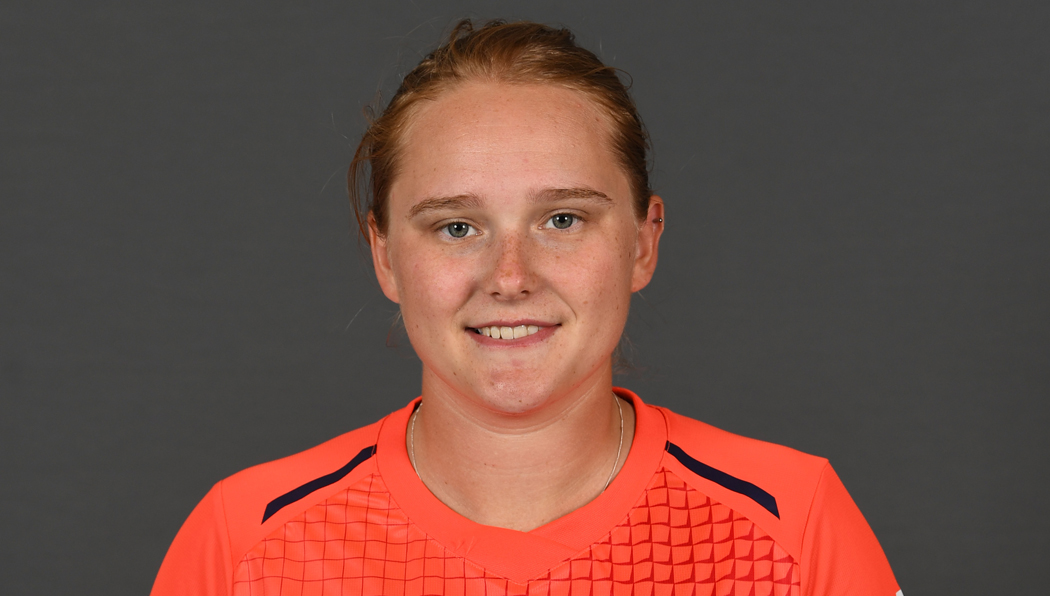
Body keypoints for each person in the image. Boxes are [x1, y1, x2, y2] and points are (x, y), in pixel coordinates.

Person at [151, 19, 901, 596]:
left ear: (643, 243)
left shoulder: (791, 525)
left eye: (563, 219)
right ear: (384, 255)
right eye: (457, 227)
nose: (510, 277)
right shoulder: (247, 545)